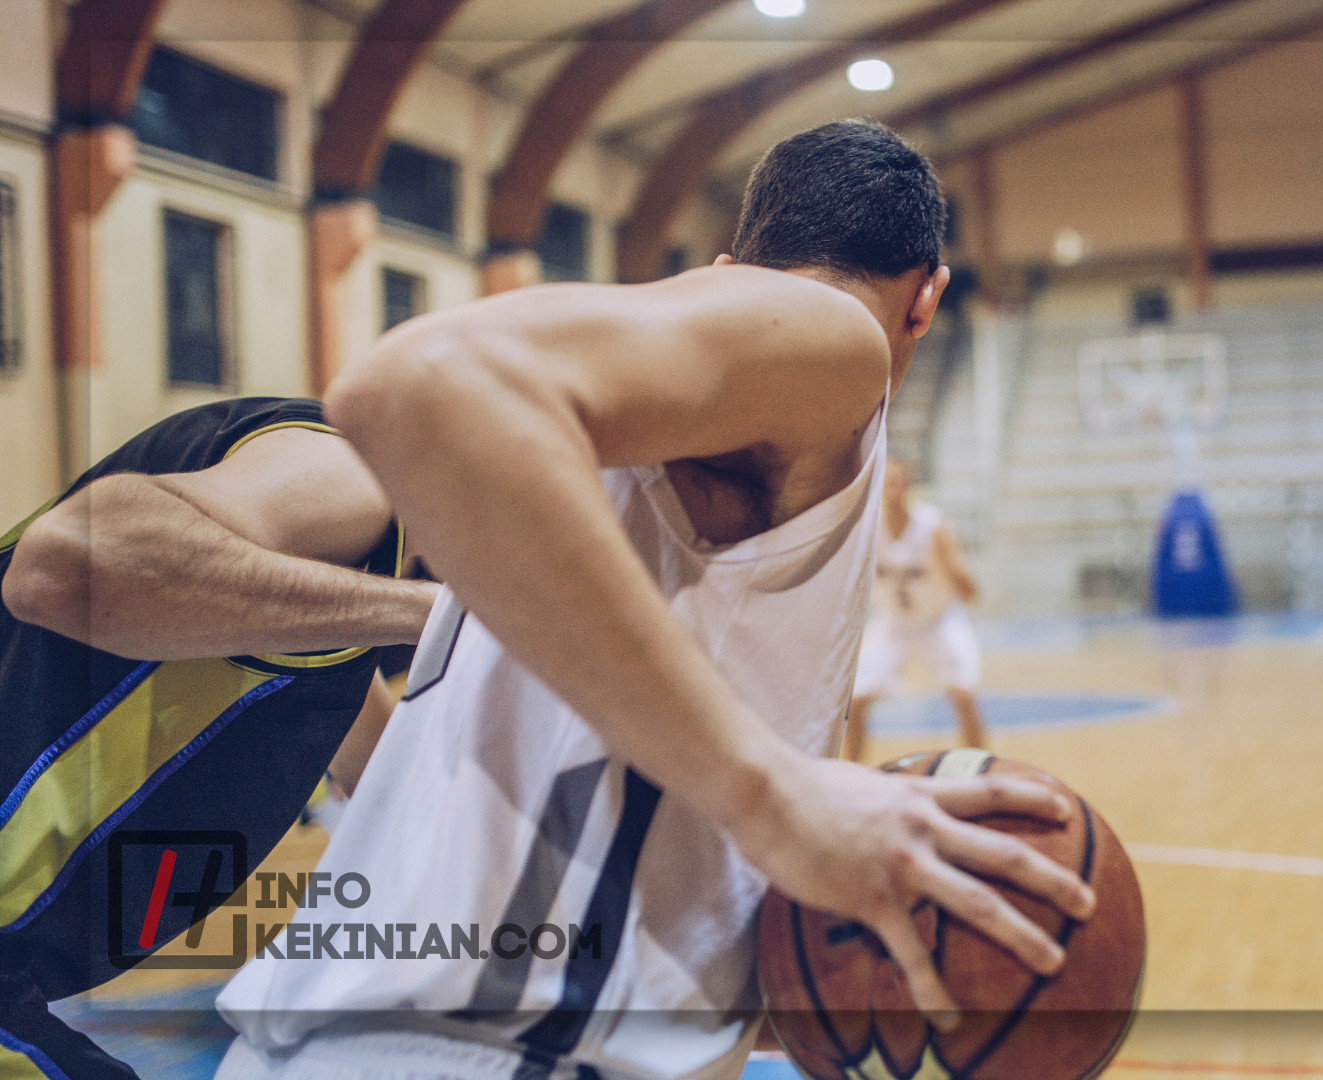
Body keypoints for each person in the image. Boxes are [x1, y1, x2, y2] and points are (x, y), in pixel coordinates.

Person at [214, 119, 1095, 1080]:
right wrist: (776, 796)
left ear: (728, 259)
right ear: (928, 297)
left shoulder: (636, 438)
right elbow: (413, 381)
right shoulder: (833, 334)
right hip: (487, 1053)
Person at [0, 397, 440, 1080]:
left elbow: (401, 794)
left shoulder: (320, 615)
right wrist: (439, 615)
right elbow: (59, 569)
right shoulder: (354, 475)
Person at [843, 459, 987, 763]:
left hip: (940, 619)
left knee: (963, 694)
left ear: (910, 487)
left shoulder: (933, 527)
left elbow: (970, 590)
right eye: (888, 483)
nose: (895, 490)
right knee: (855, 701)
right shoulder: (868, 528)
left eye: (900, 483)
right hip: (894, 623)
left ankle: (981, 768)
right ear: (879, 488)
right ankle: (850, 770)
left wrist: (958, 574)